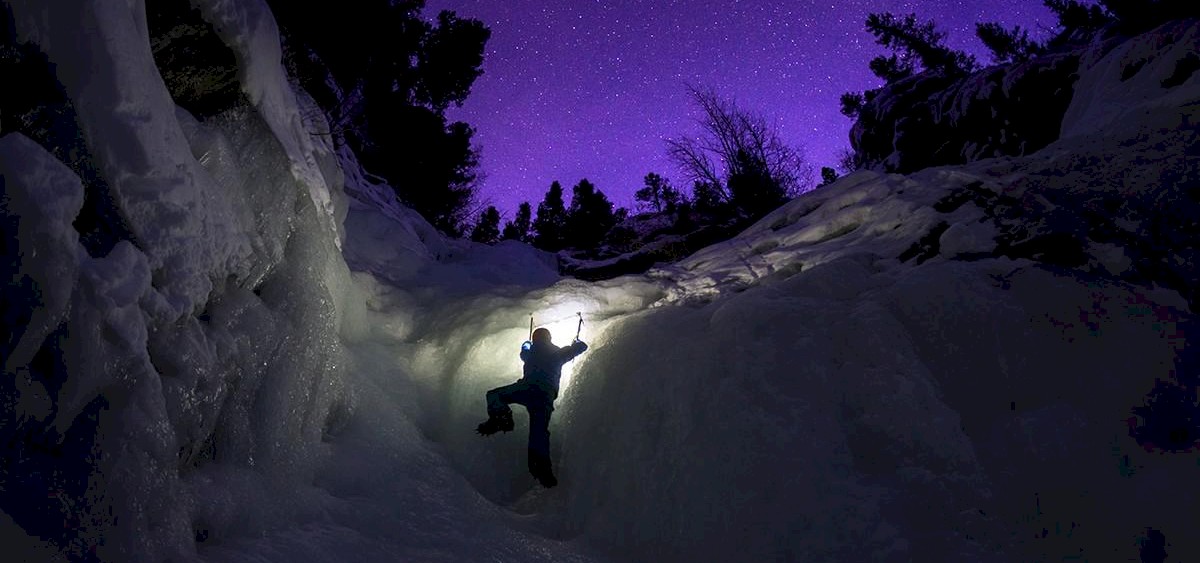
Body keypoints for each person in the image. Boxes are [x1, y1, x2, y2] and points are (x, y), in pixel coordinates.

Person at [476, 327, 588, 488]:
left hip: (526, 389)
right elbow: (582, 347)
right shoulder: (558, 353)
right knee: (539, 431)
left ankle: (502, 418)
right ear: (549, 338)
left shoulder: (529, 353)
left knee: (494, 395)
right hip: (544, 395)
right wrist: (575, 343)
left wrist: (526, 343)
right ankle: (543, 471)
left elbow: (524, 350)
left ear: (535, 339)